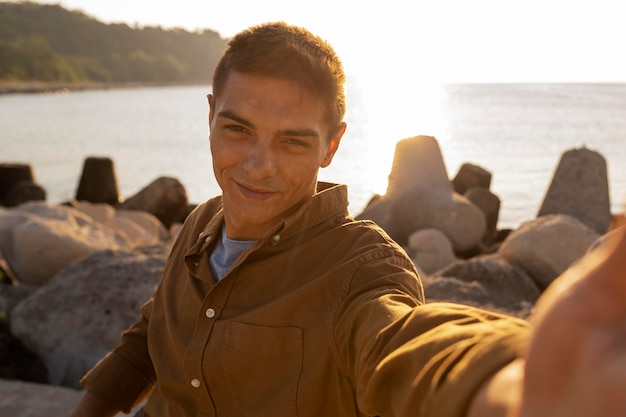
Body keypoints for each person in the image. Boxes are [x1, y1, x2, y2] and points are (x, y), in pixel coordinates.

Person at [71, 22, 626, 417]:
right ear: (211, 115)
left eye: (293, 141)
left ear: (332, 145)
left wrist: (512, 383)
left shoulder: (361, 268)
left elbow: (401, 344)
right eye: (238, 130)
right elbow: (151, 334)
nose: (256, 167)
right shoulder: (200, 225)